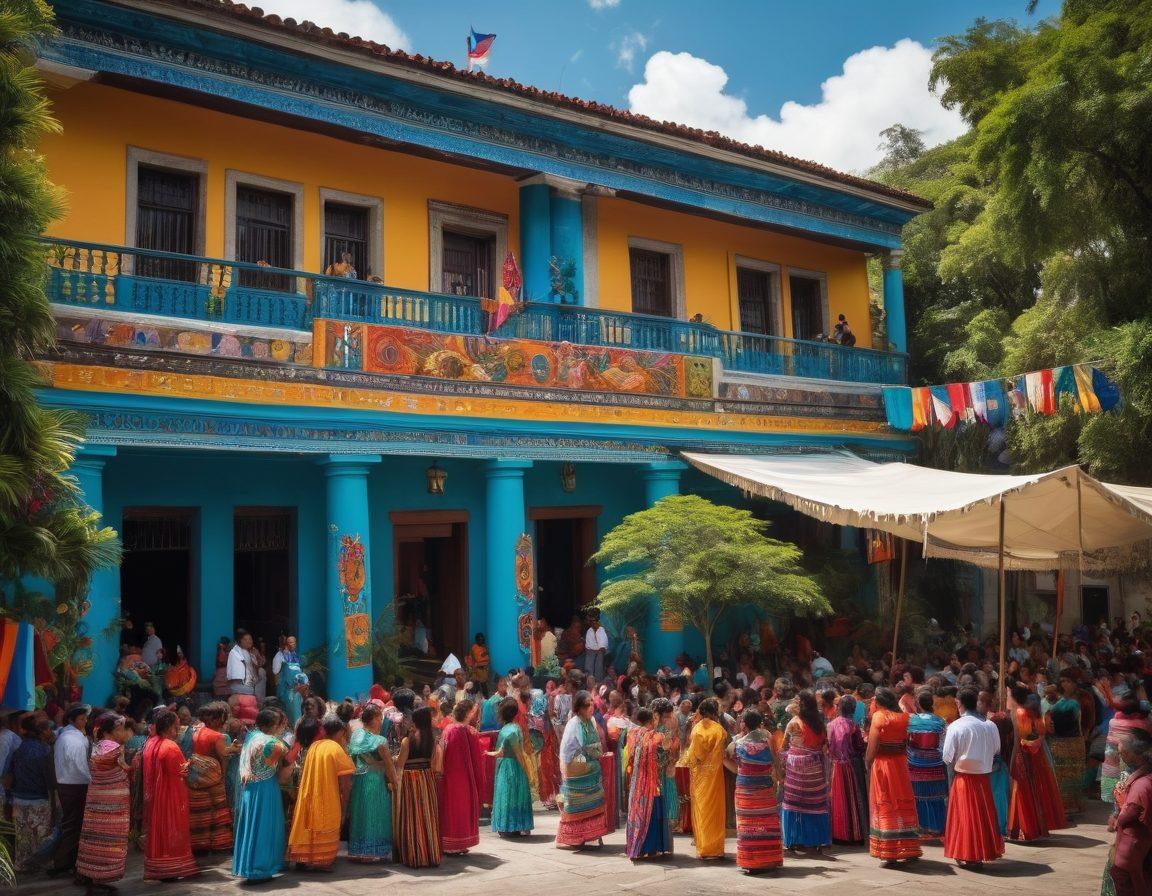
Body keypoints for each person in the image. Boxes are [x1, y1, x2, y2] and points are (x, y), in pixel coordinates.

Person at [941, 687, 1004, 867]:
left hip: (963, 778)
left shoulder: (955, 726)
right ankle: (980, 851)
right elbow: (996, 750)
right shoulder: (990, 725)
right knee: (983, 817)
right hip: (984, 777)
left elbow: (947, 757)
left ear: (959, 704)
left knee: (964, 817)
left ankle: (967, 853)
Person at [287, 714, 355, 870]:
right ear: (339, 732)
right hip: (327, 795)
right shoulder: (334, 748)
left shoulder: (314, 746)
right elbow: (346, 779)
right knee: (325, 824)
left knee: (308, 824)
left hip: (308, 794)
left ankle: (303, 858)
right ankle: (321, 860)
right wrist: (346, 799)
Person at [232, 708, 292, 882]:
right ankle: (260, 869)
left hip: (250, 789)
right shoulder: (271, 743)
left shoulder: (252, 737)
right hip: (265, 789)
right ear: (272, 725)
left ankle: (251, 866)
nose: (282, 727)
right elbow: (288, 755)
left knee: (252, 826)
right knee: (265, 826)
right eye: (279, 724)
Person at [76, 713, 132, 892]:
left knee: (95, 838)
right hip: (113, 804)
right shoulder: (116, 749)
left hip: (97, 801)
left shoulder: (97, 746)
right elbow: (127, 769)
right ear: (110, 731)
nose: (123, 732)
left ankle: (93, 876)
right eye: (120, 729)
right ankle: (101, 879)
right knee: (110, 841)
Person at [142, 708, 199, 881]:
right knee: (172, 828)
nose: (178, 729)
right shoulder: (171, 746)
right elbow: (181, 771)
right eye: (176, 726)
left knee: (158, 830)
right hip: (171, 795)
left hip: (154, 796)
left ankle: (159, 867)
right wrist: (191, 763)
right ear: (168, 727)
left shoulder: (150, 743)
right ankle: (172, 868)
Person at [866, 687, 921, 864]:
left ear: (879, 702)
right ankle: (909, 847)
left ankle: (889, 851)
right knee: (903, 801)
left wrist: (867, 764)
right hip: (900, 764)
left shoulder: (879, 717)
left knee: (885, 803)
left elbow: (872, 748)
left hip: (883, 765)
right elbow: (906, 742)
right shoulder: (904, 717)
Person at [723, 708, 783, 873]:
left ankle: (751, 861)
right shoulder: (769, 740)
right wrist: (779, 778)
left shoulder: (737, 744)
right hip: (764, 788)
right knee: (766, 822)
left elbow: (725, 758)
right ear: (759, 724)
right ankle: (769, 859)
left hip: (745, 789)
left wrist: (739, 770)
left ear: (744, 724)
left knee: (747, 825)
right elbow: (777, 762)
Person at [1006, 684, 1067, 841]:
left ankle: (1023, 830)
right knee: (1033, 791)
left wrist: (1012, 762)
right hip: (1034, 756)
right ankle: (1035, 828)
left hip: (1021, 755)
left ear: (1014, 698)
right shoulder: (1032, 712)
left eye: (1008, 695)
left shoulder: (1017, 713)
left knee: (1020, 792)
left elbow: (1016, 742)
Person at [780, 691, 831, 854]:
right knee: (814, 804)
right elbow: (824, 744)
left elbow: (784, 747)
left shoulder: (794, 723)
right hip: (815, 769)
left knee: (794, 804)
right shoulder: (820, 724)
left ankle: (794, 840)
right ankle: (815, 841)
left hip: (796, 769)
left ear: (800, 705)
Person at [347, 702, 398, 862]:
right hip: (374, 781)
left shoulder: (355, 735)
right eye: (380, 718)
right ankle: (371, 851)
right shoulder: (380, 741)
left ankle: (358, 850)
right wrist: (395, 784)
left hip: (358, 780)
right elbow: (389, 765)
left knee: (360, 813)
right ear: (376, 719)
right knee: (374, 814)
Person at [556, 690, 607, 849]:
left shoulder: (591, 721)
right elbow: (576, 749)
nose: (591, 707)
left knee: (595, 797)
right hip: (575, 765)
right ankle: (575, 836)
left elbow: (596, 743)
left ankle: (592, 834)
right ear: (578, 708)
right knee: (576, 802)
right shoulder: (574, 724)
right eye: (586, 705)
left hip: (589, 763)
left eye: (592, 703)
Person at [46, 702, 91, 878]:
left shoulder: (65, 735)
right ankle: (64, 862)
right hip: (75, 785)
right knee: (73, 825)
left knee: (72, 824)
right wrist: (92, 781)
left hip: (67, 784)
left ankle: (67, 861)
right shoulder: (73, 739)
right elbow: (80, 766)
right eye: (82, 719)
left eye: (85, 718)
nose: (85, 721)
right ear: (72, 719)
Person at [395, 705, 442, 868]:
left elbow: (401, 763)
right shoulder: (432, 738)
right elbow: (434, 761)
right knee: (427, 815)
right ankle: (430, 854)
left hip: (411, 778)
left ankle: (415, 855)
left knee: (412, 816)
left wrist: (392, 758)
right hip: (426, 777)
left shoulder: (407, 740)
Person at [1108, 728, 1152, 895]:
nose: (1121, 757)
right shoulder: (1141, 776)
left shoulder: (1142, 784)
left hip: (1133, 847)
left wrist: (1118, 816)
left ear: (1137, 755)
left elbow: (1131, 812)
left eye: (1124, 753)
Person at [8, 716, 55, 872]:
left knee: (22, 835)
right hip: (39, 798)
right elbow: (50, 779)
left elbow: (9, 774)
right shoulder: (45, 750)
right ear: (41, 731)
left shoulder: (19, 749)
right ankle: (37, 864)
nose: (51, 731)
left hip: (19, 798)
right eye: (48, 728)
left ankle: (21, 864)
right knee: (39, 835)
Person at [625, 707, 672, 860]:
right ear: (652, 721)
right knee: (653, 812)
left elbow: (630, 755)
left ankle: (637, 847)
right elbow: (664, 755)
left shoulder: (632, 734)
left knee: (637, 812)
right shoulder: (656, 736)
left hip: (637, 783)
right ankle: (653, 847)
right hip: (652, 781)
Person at [188, 701, 234, 852]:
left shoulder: (196, 732)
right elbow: (223, 757)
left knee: (200, 813)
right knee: (217, 812)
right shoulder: (218, 736)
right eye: (222, 718)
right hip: (214, 781)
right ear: (215, 719)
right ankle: (219, 845)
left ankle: (199, 844)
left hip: (196, 779)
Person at [684, 697, 726, 859]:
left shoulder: (697, 730)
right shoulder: (719, 729)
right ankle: (716, 848)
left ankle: (704, 848)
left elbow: (696, 756)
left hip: (700, 776)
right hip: (716, 776)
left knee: (701, 810)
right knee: (716, 810)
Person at [440, 699, 484, 854]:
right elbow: (476, 759)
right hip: (463, 776)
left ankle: (451, 842)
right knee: (460, 808)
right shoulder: (467, 731)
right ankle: (456, 843)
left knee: (450, 808)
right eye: (474, 712)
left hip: (447, 775)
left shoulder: (448, 728)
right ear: (469, 713)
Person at [490, 698, 534, 837]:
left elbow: (502, 751)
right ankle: (517, 825)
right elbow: (519, 754)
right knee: (516, 795)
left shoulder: (505, 729)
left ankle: (505, 826)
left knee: (506, 795)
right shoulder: (515, 729)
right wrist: (527, 771)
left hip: (504, 766)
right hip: (514, 766)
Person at [907, 689, 948, 840]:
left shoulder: (911, 721)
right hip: (935, 764)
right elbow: (944, 746)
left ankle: (921, 828)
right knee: (936, 796)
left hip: (915, 763)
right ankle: (937, 828)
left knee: (917, 796)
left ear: (917, 703)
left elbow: (907, 744)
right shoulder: (940, 721)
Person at [828, 693, 868, 844]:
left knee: (837, 798)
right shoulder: (853, 725)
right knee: (853, 799)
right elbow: (859, 746)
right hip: (851, 765)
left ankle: (838, 834)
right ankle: (854, 835)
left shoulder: (831, 724)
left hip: (835, 766)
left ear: (839, 708)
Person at [1048, 675, 1085, 816]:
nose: (1066, 684)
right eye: (1064, 681)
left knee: (1066, 774)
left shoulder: (1072, 703)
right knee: (1067, 775)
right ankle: (1068, 805)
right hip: (1066, 742)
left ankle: (1066, 805)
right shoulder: (1070, 704)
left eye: (1068, 681)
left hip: (1064, 742)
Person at [1103, 696, 1152, 803]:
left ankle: (1115, 803)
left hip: (1111, 756)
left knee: (1115, 784)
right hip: (1131, 759)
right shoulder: (1142, 724)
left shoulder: (1113, 721)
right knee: (1129, 783)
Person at [227, 630, 258, 696]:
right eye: (245, 639)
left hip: (249, 684)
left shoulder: (251, 653)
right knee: (251, 691)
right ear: (240, 641)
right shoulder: (234, 652)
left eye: (250, 639)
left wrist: (257, 656)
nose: (249, 641)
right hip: (238, 684)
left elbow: (256, 670)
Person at [584, 616, 609, 682]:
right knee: (589, 669)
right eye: (590, 621)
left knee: (599, 670)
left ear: (597, 622)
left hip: (600, 652)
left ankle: (598, 684)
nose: (592, 623)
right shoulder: (589, 631)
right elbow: (588, 645)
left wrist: (600, 651)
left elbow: (603, 645)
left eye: (593, 621)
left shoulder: (601, 630)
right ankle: (589, 683)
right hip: (590, 652)